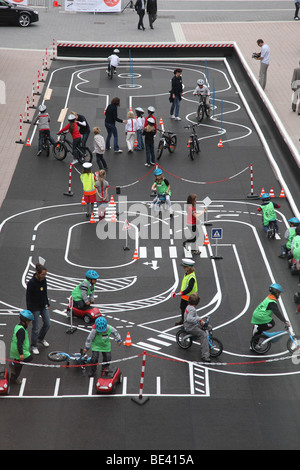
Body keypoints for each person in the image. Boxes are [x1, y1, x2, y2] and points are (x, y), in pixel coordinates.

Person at [26, 262, 50, 355]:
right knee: (35, 328)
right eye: (42, 274)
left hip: (43, 305)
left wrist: (47, 303)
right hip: (35, 307)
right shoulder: (31, 283)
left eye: (45, 274)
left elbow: (45, 292)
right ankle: (33, 346)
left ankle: (40, 338)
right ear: (37, 273)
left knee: (47, 324)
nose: (44, 276)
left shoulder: (44, 280)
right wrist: (29, 310)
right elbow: (28, 297)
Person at [183, 293, 211, 362]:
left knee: (208, 327)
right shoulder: (192, 309)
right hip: (191, 327)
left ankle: (206, 344)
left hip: (193, 324)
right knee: (203, 335)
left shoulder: (189, 306)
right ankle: (205, 355)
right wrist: (199, 319)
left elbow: (194, 316)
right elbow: (189, 319)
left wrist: (200, 320)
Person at [10, 310, 34, 384]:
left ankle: (13, 377)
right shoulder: (22, 331)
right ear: (25, 321)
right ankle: (14, 364)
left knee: (19, 365)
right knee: (29, 358)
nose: (29, 323)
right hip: (19, 351)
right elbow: (19, 343)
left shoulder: (18, 326)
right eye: (29, 321)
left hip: (15, 349)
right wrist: (21, 354)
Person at [174, 258, 198, 326]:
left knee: (188, 311)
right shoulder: (187, 274)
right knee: (182, 308)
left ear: (189, 268)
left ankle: (189, 323)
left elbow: (189, 288)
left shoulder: (191, 277)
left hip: (191, 298)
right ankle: (183, 320)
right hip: (185, 297)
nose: (184, 268)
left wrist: (182, 293)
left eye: (185, 267)